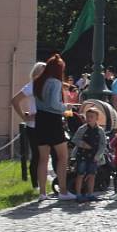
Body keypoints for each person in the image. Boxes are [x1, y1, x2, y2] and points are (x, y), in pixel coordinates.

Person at [33, 54, 75, 201]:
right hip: (53, 121)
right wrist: (66, 107)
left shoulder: (38, 81)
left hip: (40, 120)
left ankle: (42, 193)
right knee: (63, 156)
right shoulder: (55, 83)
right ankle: (63, 191)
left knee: (42, 159)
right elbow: (53, 104)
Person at [10, 62, 47, 189]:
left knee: (48, 154)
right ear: (36, 73)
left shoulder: (48, 86)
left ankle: (48, 183)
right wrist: (24, 117)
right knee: (36, 155)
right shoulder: (31, 86)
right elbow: (15, 101)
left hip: (47, 124)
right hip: (33, 126)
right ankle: (35, 184)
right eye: (42, 72)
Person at [70, 108, 107, 202]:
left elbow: (103, 144)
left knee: (92, 175)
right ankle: (78, 194)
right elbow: (75, 139)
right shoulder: (82, 129)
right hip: (82, 155)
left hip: (94, 156)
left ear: (96, 118)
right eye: (88, 117)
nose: (89, 119)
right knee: (80, 174)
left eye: (92, 117)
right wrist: (83, 144)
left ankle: (90, 193)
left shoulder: (100, 130)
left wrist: (98, 155)